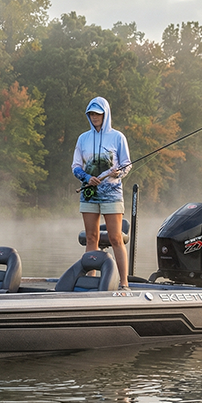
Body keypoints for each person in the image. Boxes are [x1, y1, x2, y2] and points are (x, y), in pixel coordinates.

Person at [72, 97, 132, 290]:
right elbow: (75, 166)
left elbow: (127, 164)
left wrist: (118, 172)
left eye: (97, 113)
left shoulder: (117, 137)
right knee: (91, 237)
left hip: (112, 193)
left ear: (105, 114)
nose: (94, 117)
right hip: (89, 193)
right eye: (91, 113)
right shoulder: (83, 138)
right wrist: (86, 177)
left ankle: (123, 283)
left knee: (115, 237)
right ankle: (91, 280)